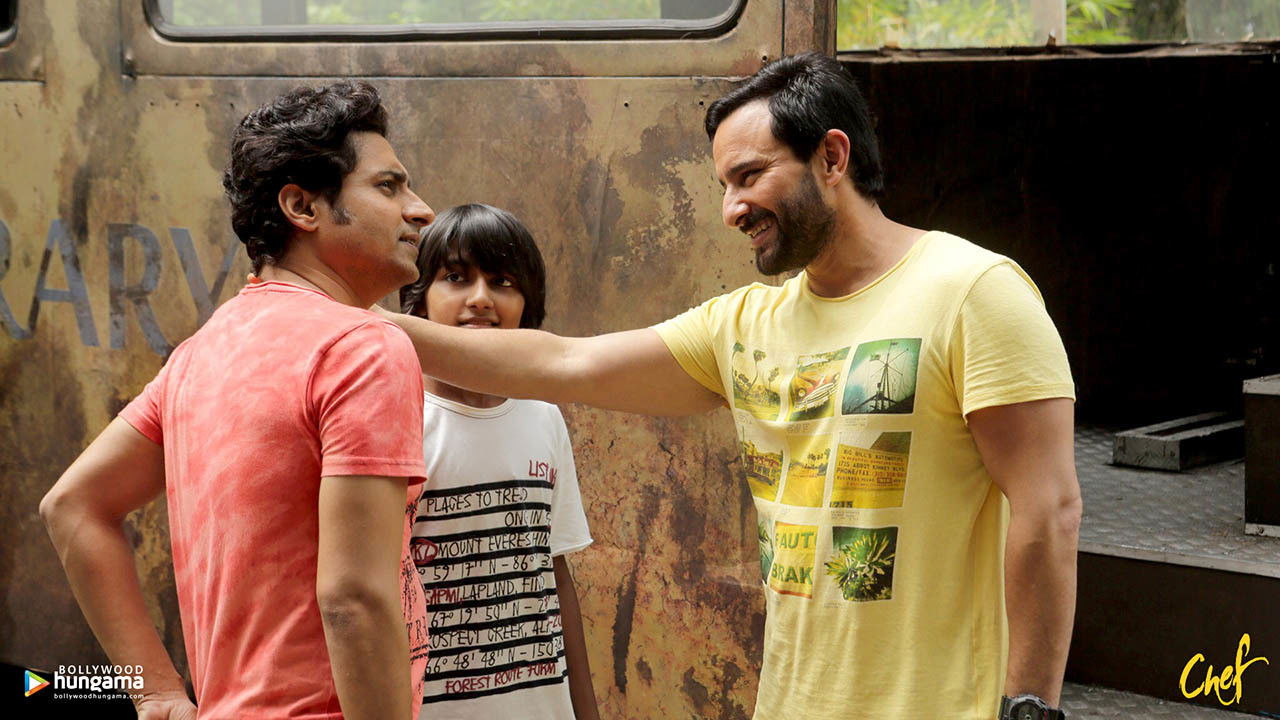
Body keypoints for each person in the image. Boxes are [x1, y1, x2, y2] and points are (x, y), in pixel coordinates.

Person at [380, 53, 1080, 720]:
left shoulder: (973, 292)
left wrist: (1029, 706)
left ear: (832, 158)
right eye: (724, 185)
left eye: (748, 176)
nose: (731, 209)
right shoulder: (741, 326)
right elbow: (565, 363)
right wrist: (352, 321)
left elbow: (1047, 510)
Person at [40, 81, 436, 720]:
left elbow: (73, 506)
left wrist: (156, 692)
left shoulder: (200, 353)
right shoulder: (363, 348)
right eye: (388, 187)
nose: (421, 211)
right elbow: (353, 599)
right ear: (302, 206)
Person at [399, 203, 599, 720]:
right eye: (456, 278)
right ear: (418, 301)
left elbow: (554, 575)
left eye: (503, 281)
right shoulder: (397, 420)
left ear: (528, 305)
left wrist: (584, 710)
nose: (481, 298)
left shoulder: (543, 417)